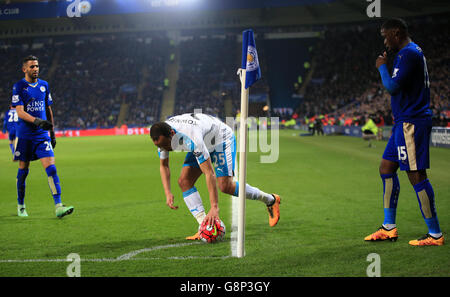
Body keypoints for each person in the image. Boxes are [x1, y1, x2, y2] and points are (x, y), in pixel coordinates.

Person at [364, 19, 443, 246]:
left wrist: (381, 66)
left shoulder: (408, 53)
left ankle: (435, 233)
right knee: (386, 168)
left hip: (412, 122)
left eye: (386, 35)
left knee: (416, 174)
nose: (385, 41)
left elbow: (391, 87)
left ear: (396, 32)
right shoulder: (410, 52)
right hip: (403, 122)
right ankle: (389, 227)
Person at [150, 112, 281, 240]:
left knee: (225, 186)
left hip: (220, 139)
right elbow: (164, 165)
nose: (165, 149)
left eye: (166, 145)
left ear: (172, 134)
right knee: (184, 182)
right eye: (160, 146)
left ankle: (271, 200)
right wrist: (168, 192)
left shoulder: (192, 137)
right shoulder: (162, 138)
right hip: (205, 138)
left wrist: (214, 207)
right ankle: (204, 226)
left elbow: (209, 172)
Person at [11, 55, 74, 218]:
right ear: (24, 69)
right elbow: (19, 112)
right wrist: (37, 121)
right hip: (25, 136)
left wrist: (52, 133)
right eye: (32, 66)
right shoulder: (19, 86)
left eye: (37, 66)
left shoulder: (44, 85)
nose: (36, 69)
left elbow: (48, 109)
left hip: (41, 136)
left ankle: (59, 206)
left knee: (52, 169)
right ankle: (21, 205)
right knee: (23, 171)